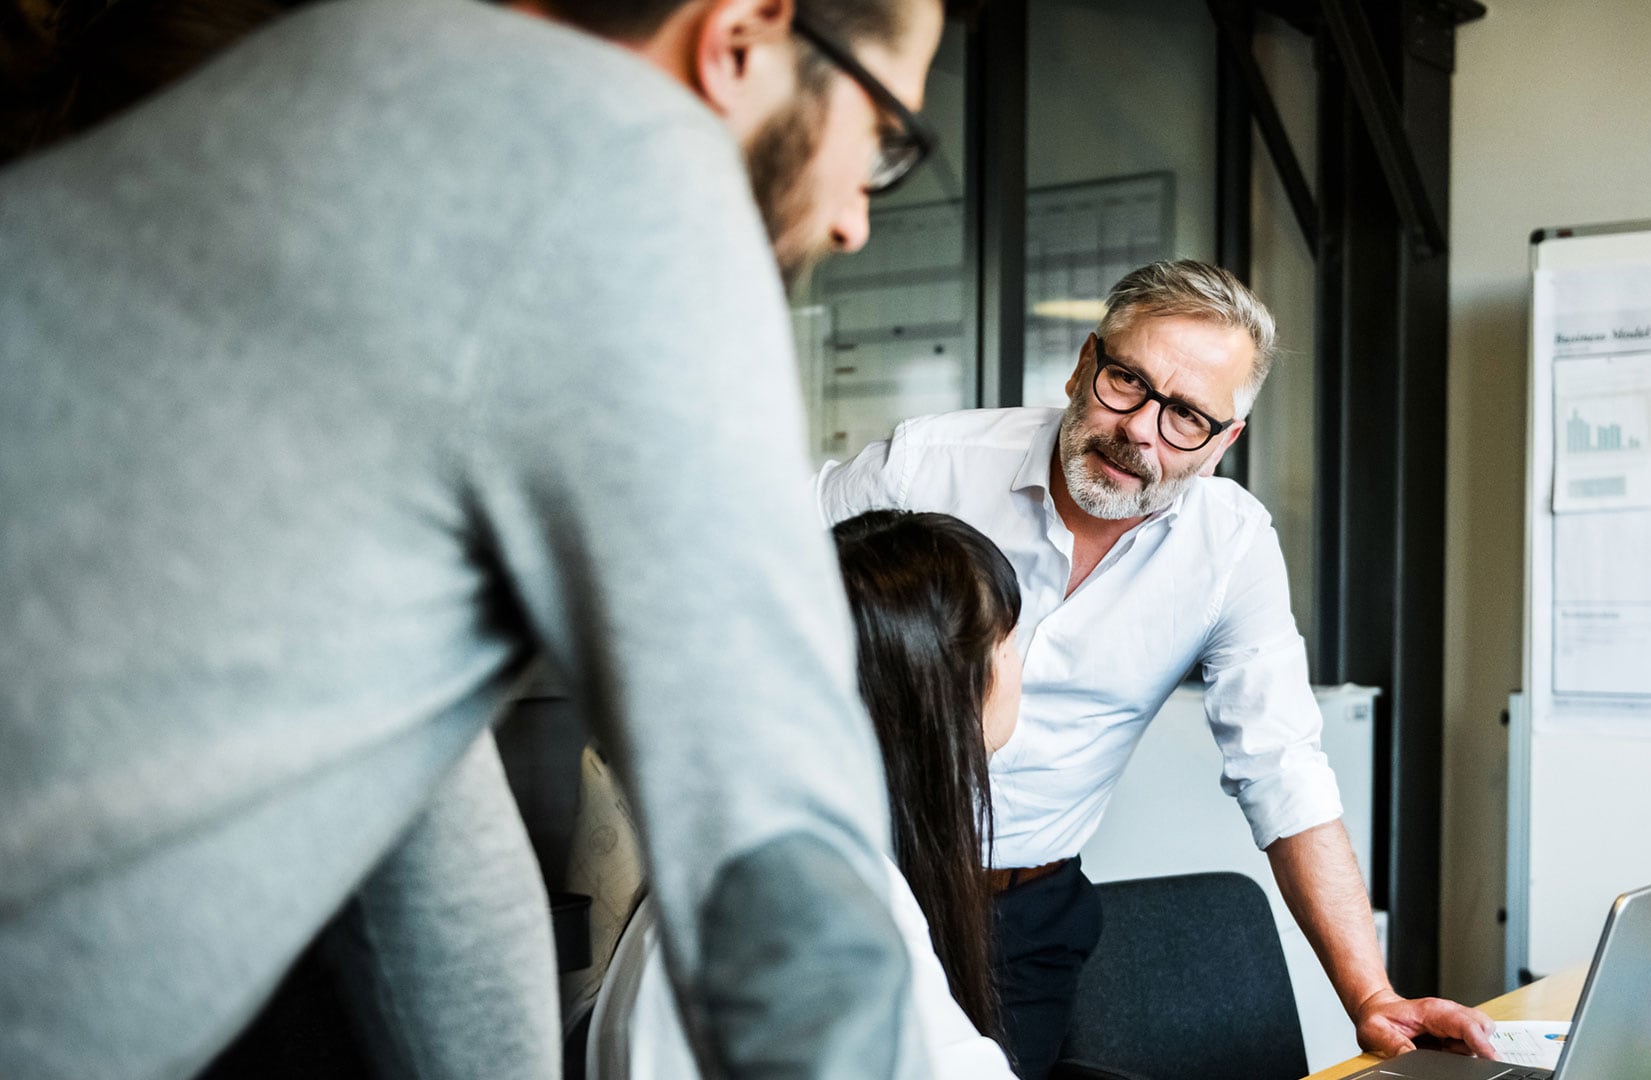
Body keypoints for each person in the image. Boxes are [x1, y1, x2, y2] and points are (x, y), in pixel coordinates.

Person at [0, 0, 948, 1078]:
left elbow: (429, 848)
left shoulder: (339, 94)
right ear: (741, 35)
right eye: (883, 137)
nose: (853, 222)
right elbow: (787, 884)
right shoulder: (628, 164)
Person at [817, 259, 1500, 1077]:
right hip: (850, 878)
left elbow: (1283, 768)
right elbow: (748, 600)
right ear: (1084, 363)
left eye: (1187, 417)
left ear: (1223, 443)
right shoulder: (928, 466)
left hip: (1023, 915)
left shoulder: (1231, 547)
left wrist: (1371, 997)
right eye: (1126, 383)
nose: (1141, 429)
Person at [589, 509, 1022, 1079]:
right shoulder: (827, 904)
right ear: (947, 684)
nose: (1021, 664)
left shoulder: (750, 859)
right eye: (1010, 641)